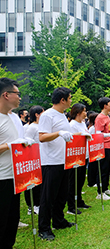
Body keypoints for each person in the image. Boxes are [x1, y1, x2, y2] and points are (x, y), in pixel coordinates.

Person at [38, 87, 76, 241]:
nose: (71, 100)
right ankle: (44, 228)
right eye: (70, 97)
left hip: (63, 160)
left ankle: (59, 221)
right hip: (51, 161)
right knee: (48, 197)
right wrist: (59, 133)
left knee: (62, 194)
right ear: (63, 100)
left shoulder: (62, 115)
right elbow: (42, 137)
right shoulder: (47, 115)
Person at [0, 78, 24, 247]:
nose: (20, 97)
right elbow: (11, 144)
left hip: (17, 176)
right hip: (1, 178)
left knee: (12, 219)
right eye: (17, 93)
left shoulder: (15, 117)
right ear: (6, 95)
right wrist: (9, 145)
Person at [67, 103, 92, 215]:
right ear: (78, 112)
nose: (85, 113)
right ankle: (71, 206)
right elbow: (71, 138)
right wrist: (80, 134)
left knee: (80, 180)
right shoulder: (72, 125)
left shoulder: (82, 123)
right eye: (84, 111)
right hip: (75, 157)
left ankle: (79, 201)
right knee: (73, 181)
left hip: (84, 155)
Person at [95, 97, 110, 200]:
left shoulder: (107, 117)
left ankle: (105, 188)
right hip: (104, 146)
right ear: (105, 106)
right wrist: (109, 135)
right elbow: (98, 133)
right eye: (109, 104)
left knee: (108, 167)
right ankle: (100, 192)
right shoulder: (100, 118)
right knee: (103, 169)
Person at [24, 105, 44, 216]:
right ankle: (32, 206)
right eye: (42, 113)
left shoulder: (41, 126)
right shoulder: (32, 127)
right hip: (33, 159)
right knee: (32, 184)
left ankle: (38, 204)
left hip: (42, 158)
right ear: (37, 114)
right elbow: (27, 142)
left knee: (40, 183)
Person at [87, 112, 99, 187]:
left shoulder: (96, 128)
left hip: (97, 148)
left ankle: (94, 180)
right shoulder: (92, 128)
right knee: (92, 166)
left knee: (95, 166)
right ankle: (91, 182)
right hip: (92, 149)